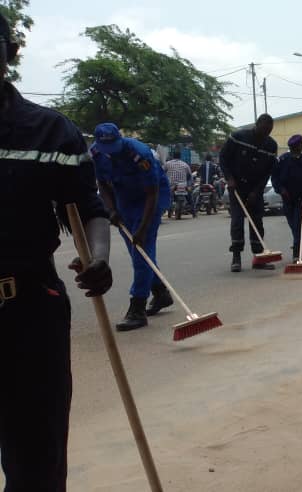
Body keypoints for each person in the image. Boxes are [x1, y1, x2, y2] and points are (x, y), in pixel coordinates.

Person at [1, 15, 114, 487]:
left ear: (9, 50)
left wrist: (98, 256)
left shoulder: (50, 132)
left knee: (37, 465)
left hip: (27, 312)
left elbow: (88, 207)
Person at [91, 123, 174, 330]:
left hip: (150, 200)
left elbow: (152, 193)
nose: (110, 153)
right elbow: (102, 184)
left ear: (120, 139)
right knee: (137, 252)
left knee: (141, 252)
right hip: (124, 200)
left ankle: (137, 308)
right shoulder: (95, 153)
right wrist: (111, 210)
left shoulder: (139, 153)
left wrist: (143, 228)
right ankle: (161, 293)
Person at [219, 113, 278, 272]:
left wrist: (257, 191)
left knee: (257, 222)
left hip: (255, 189)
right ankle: (236, 257)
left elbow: (268, 172)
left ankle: (259, 259)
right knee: (237, 221)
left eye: (269, 131)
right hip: (236, 186)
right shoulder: (238, 136)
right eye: (264, 130)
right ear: (256, 125)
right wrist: (229, 178)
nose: (266, 134)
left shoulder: (271, 146)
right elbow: (223, 158)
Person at [272, 135, 302, 260]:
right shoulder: (282, 161)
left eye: (300, 145)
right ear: (292, 148)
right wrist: (280, 189)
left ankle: (297, 252)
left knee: (299, 225)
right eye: (297, 146)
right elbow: (275, 179)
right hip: (288, 200)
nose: (300, 147)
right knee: (294, 225)